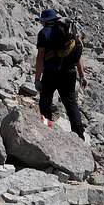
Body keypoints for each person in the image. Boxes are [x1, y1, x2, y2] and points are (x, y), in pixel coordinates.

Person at [34, 8, 87, 139]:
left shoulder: (43, 33)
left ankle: (47, 128)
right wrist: (82, 75)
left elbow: (40, 57)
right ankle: (79, 135)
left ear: (44, 21)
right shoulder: (69, 33)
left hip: (51, 74)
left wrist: (37, 79)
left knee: (45, 102)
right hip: (69, 73)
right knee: (71, 104)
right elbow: (77, 55)